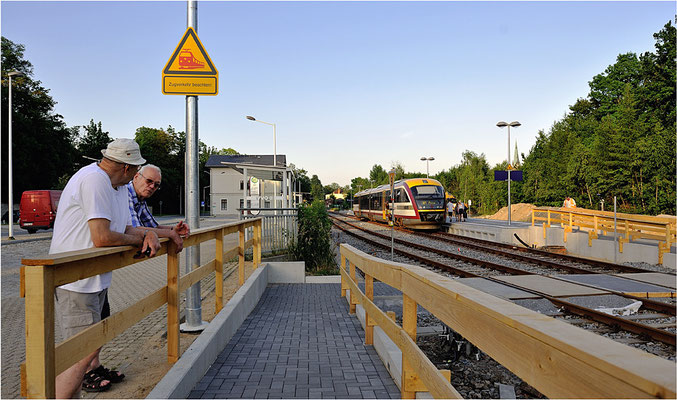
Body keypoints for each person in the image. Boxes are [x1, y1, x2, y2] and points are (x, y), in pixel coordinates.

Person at [50, 138, 162, 398]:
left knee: (85, 353)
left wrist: (153, 233)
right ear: (127, 168)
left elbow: (124, 229)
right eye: (136, 170)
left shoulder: (117, 187)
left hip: (95, 279)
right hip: (75, 281)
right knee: (78, 358)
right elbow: (103, 236)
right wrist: (144, 237)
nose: (136, 175)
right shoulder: (93, 179)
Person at [85, 164, 191, 391]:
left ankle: (95, 366)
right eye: (149, 181)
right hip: (84, 269)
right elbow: (133, 229)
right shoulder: (125, 194)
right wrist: (170, 234)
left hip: (100, 273)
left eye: (156, 185)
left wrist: (172, 229)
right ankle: (86, 373)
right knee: (87, 324)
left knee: (102, 316)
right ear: (135, 176)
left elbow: (151, 227)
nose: (152, 187)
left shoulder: (138, 198)